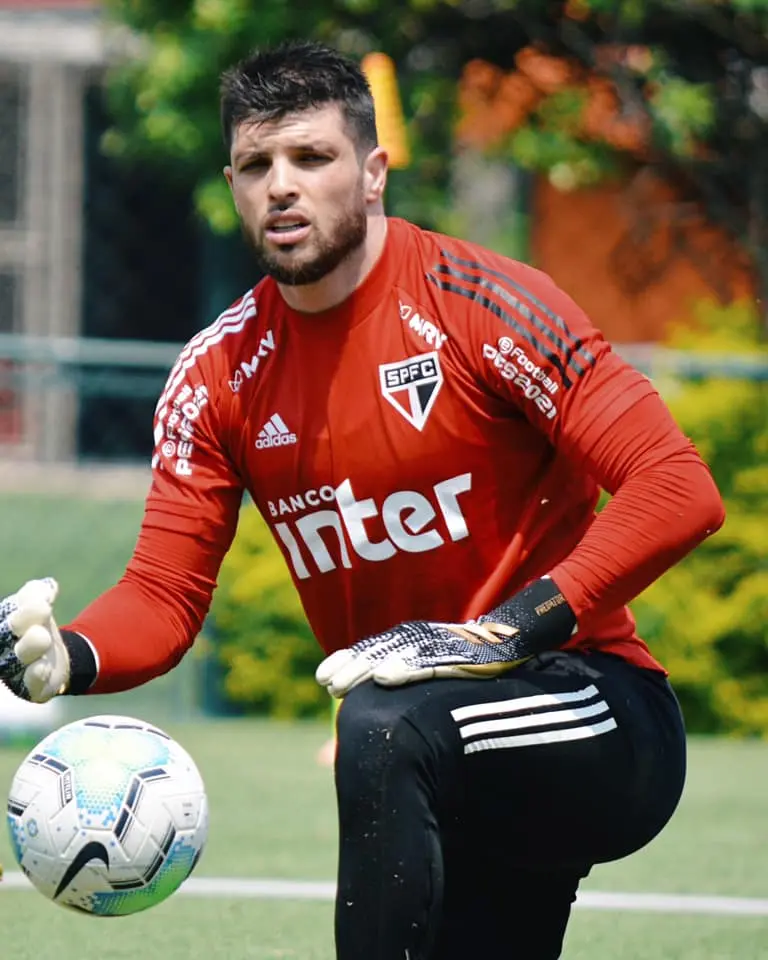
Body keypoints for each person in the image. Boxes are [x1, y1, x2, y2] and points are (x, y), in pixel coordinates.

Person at [0, 39, 725, 960]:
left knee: (378, 726)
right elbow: (164, 594)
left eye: (312, 157)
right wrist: (73, 653)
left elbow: (677, 485)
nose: (282, 187)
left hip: (595, 709)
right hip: (439, 752)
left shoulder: (482, 304)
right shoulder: (217, 372)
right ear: (231, 182)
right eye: (256, 165)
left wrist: (501, 632)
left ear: (374, 172)